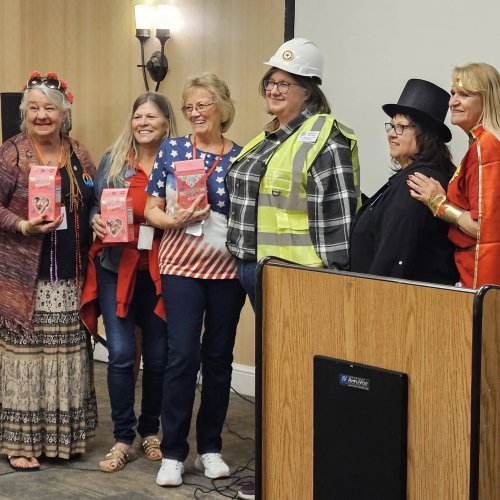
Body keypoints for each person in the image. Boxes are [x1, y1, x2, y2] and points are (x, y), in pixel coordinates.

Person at [225, 37, 360, 500]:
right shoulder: (268, 137)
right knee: (275, 375)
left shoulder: (327, 138)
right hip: (254, 272)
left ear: (309, 89)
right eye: (271, 81)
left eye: (287, 82)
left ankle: (291, 474)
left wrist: (332, 282)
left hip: (298, 279)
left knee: (294, 380)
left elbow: (341, 221)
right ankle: (275, 469)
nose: (275, 89)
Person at [144, 73, 246, 487]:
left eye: (203, 105)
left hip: (227, 269)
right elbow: (151, 207)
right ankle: (172, 452)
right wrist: (175, 219)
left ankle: (210, 447)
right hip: (179, 265)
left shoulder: (241, 156)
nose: (195, 113)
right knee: (182, 355)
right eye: (189, 107)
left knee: (218, 359)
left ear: (222, 106)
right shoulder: (171, 149)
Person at [0, 71, 97, 471]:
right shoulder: (12, 152)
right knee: (26, 356)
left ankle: (62, 441)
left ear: (64, 113)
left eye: (50, 108)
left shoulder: (79, 153)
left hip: (69, 277)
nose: (42, 115)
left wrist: (99, 219)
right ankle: (21, 444)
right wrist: (21, 225)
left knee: (66, 354)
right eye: (34, 108)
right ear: (24, 115)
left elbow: (92, 200)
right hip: (24, 278)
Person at [80, 92, 177, 472]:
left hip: (159, 268)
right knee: (121, 354)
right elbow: (92, 203)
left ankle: (150, 430)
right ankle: (123, 438)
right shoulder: (114, 159)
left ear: (167, 122)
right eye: (138, 116)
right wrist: (93, 220)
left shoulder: (177, 161)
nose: (143, 122)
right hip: (114, 266)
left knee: (156, 357)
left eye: (152, 116)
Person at [349, 79, 459, 284]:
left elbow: (394, 255)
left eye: (401, 127)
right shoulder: (422, 175)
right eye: (391, 127)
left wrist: (370, 299)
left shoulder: (418, 182)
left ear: (425, 134)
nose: (391, 134)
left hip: (398, 303)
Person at [407, 63, 500, 288]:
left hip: (480, 275)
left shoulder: (486, 147)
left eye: (464, 95)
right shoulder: (481, 144)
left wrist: (438, 203)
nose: (452, 102)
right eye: (453, 93)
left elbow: (484, 230)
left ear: (487, 100)